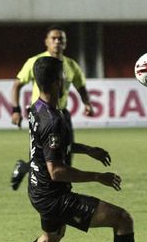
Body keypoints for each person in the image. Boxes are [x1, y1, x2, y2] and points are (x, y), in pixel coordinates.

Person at [1, 57, 147, 242]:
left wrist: (87, 150)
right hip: (53, 195)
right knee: (122, 219)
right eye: (63, 75)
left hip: (38, 190)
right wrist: (98, 176)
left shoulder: (37, 108)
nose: (66, 79)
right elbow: (56, 171)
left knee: (50, 237)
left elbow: (51, 147)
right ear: (57, 82)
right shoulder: (52, 120)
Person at [9, 25, 94, 190]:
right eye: (53, 38)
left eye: (60, 39)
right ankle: (50, 187)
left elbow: (81, 86)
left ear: (66, 43)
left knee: (65, 150)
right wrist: (15, 110)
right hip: (41, 114)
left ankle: (54, 182)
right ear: (46, 42)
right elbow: (17, 85)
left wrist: (87, 103)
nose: (57, 42)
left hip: (62, 114)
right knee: (46, 155)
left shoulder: (71, 65)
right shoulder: (35, 62)